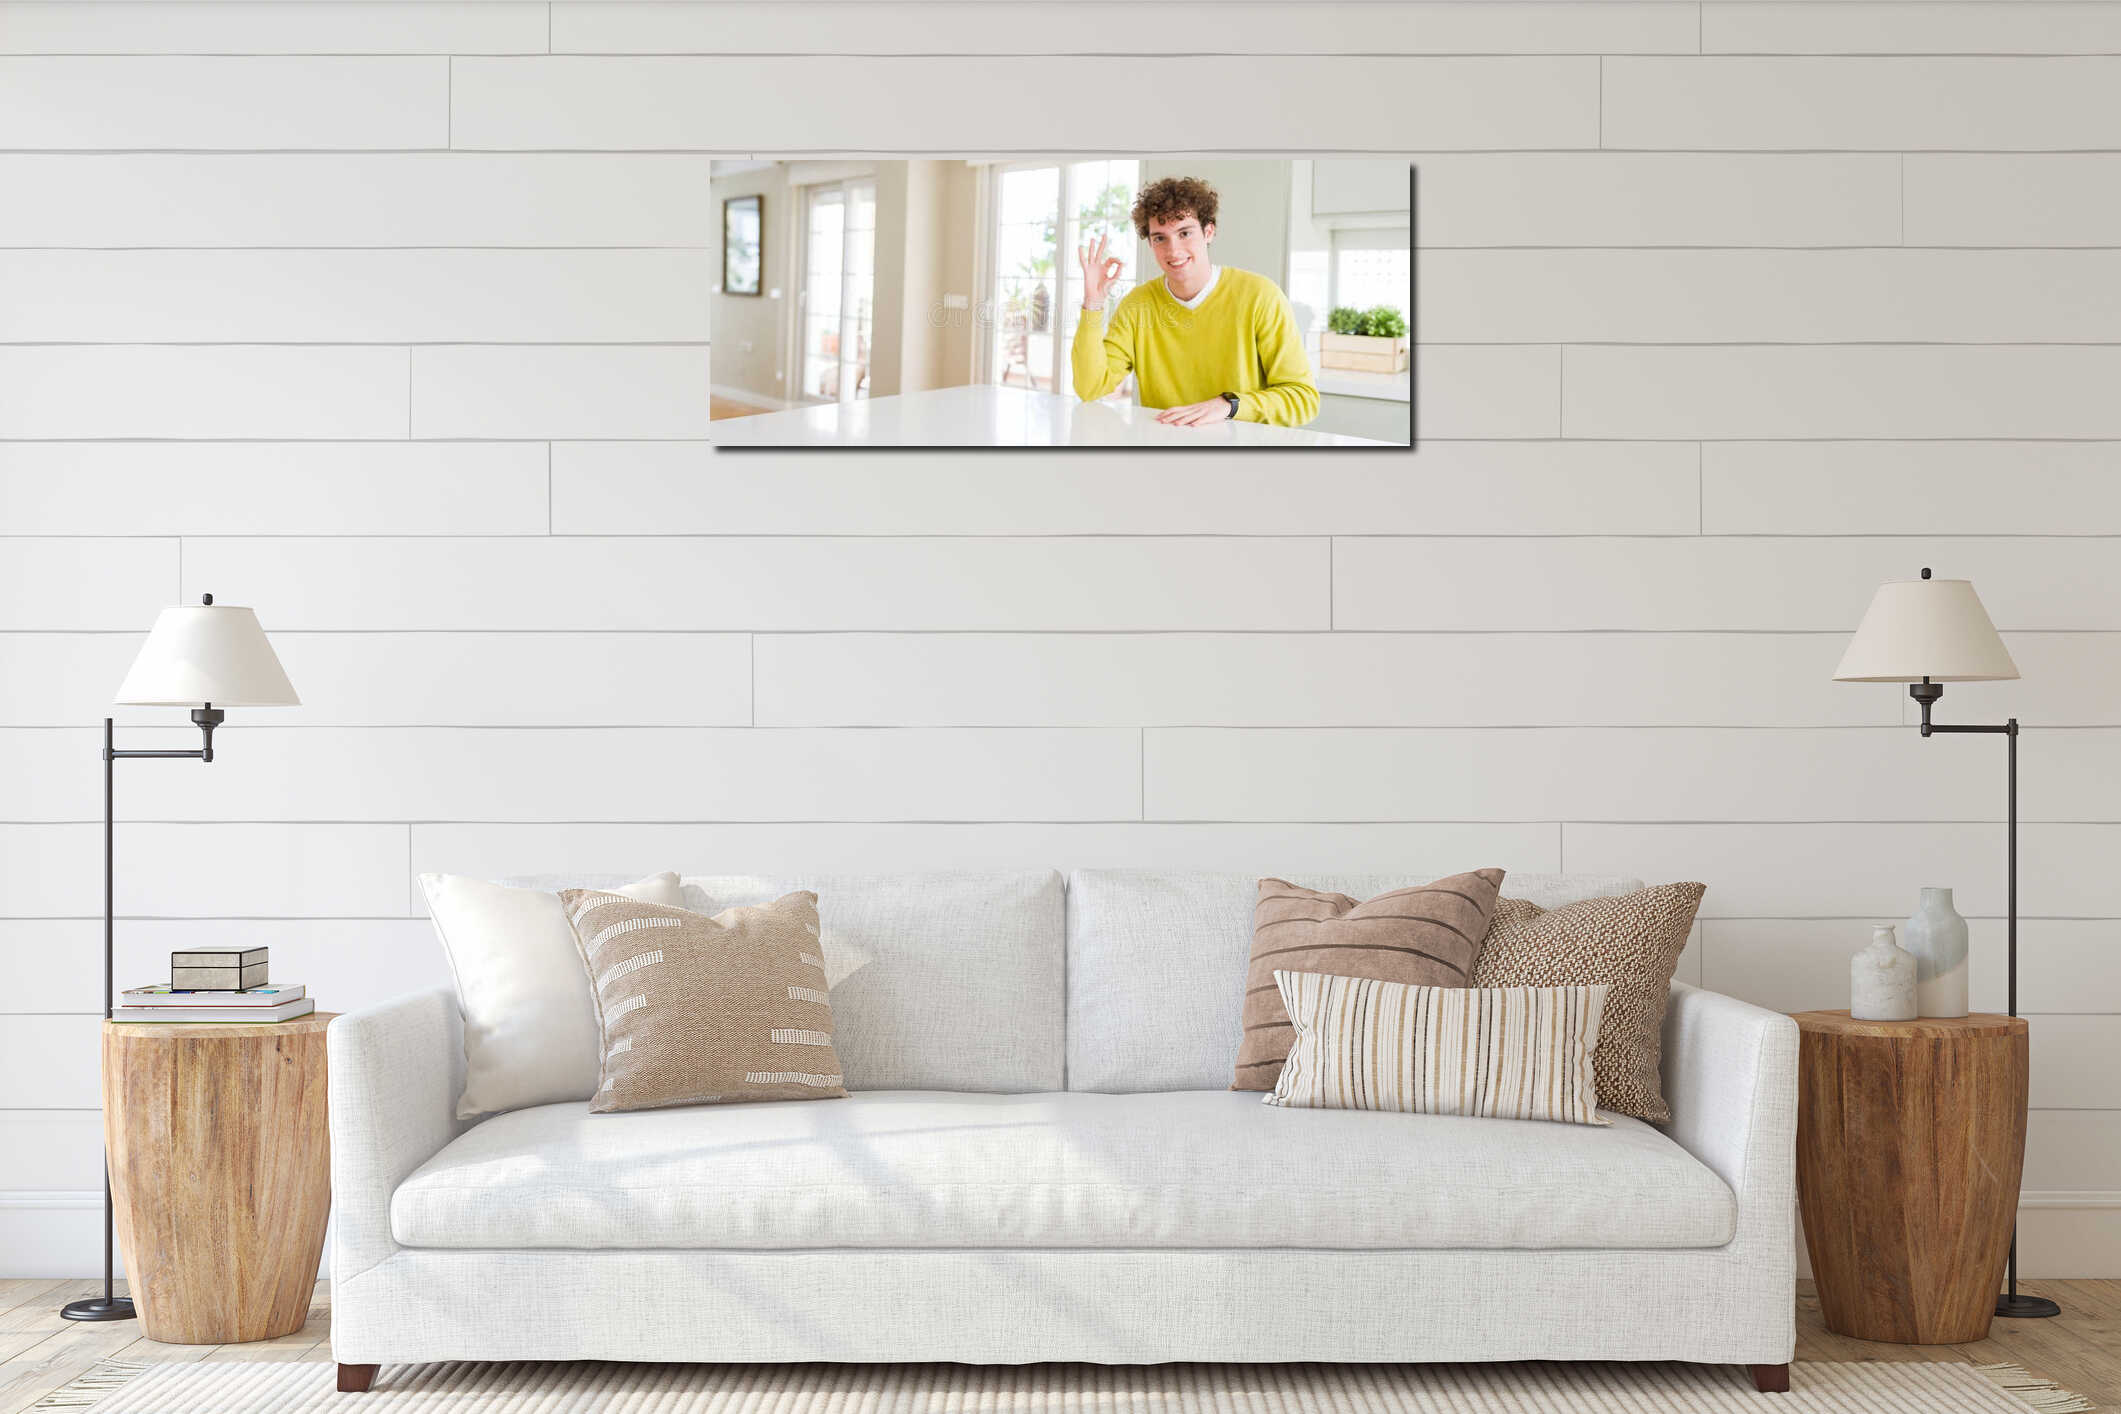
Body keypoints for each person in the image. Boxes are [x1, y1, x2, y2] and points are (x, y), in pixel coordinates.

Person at [1069, 175, 1319, 428]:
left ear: (1208, 232)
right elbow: (1090, 388)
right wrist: (1093, 303)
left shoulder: (1260, 296)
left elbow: (1302, 399)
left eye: (1185, 233)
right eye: (1160, 238)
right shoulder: (1137, 305)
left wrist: (1228, 405)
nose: (1173, 250)